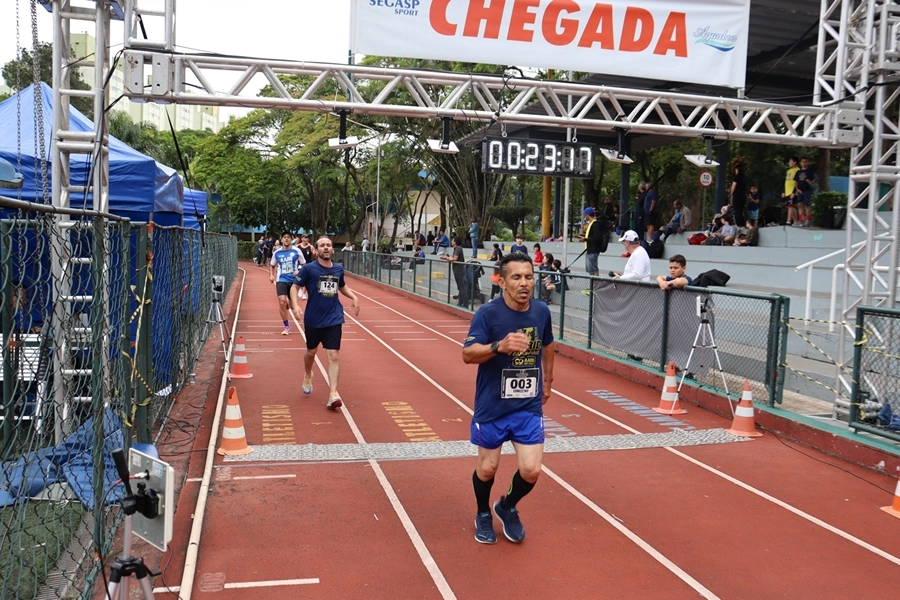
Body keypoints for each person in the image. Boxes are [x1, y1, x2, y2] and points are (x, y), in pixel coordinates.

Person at [462, 252, 555, 545]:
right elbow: (467, 354)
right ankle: (483, 513)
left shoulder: (541, 311)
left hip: (527, 405)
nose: (524, 283)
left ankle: (507, 506)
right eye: (516, 277)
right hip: (493, 405)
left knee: (532, 469)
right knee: (488, 467)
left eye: (529, 276)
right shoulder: (487, 314)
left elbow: (549, 344)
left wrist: (548, 381)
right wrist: (498, 346)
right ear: (502, 282)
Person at [295, 236, 360, 410]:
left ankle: (333, 394)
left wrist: (353, 296)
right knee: (311, 352)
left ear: (332, 250)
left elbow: (341, 286)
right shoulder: (309, 269)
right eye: (322, 245)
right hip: (313, 319)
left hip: (334, 317)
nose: (326, 248)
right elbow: (295, 287)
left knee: (334, 355)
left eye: (328, 245)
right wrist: (294, 305)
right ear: (316, 251)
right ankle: (308, 374)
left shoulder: (338, 268)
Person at [270, 232, 305, 335]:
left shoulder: (297, 251)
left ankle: (290, 304)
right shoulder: (277, 253)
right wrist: (271, 275)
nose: (286, 239)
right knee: (281, 302)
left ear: (291, 239)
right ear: (281, 240)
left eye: (288, 238)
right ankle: (286, 326)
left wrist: (299, 272)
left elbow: (304, 265)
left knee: (292, 305)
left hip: (293, 281)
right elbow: (272, 265)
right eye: (284, 237)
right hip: (281, 279)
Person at [441, 236, 469, 307]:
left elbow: (454, 259)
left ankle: (465, 304)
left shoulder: (458, 248)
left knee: (461, 287)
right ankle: (460, 302)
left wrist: (445, 258)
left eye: (452, 240)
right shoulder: (456, 249)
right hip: (457, 270)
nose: (451, 242)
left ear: (455, 242)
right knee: (460, 287)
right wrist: (446, 258)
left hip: (459, 271)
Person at [578, 207, 603, 276]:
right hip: (590, 249)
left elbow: (596, 238)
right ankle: (593, 284)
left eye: (585, 215)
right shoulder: (591, 224)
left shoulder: (595, 225)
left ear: (587, 215)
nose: (585, 216)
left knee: (593, 269)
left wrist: (585, 239)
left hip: (593, 250)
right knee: (590, 269)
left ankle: (595, 285)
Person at [796, 157, 816, 227]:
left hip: (806, 190)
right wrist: (797, 189)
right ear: (800, 163)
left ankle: (808, 220)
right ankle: (800, 220)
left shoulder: (810, 171)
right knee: (800, 204)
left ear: (807, 163)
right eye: (802, 162)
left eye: (805, 162)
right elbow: (796, 181)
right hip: (800, 190)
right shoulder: (798, 172)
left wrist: (810, 182)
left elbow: (813, 180)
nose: (804, 163)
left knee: (807, 205)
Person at [782, 156, 800, 226]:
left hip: (793, 191)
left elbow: (797, 182)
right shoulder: (788, 171)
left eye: (790, 161)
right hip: (787, 191)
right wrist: (783, 191)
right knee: (790, 206)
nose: (789, 163)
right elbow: (786, 181)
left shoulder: (798, 170)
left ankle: (788, 221)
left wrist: (794, 192)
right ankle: (796, 221)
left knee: (790, 206)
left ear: (795, 162)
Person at [729, 160, 748, 227]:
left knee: (737, 211)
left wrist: (731, 194)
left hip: (737, 196)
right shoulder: (745, 178)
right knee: (741, 210)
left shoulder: (736, 178)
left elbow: (733, 187)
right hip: (743, 196)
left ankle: (739, 224)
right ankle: (743, 224)